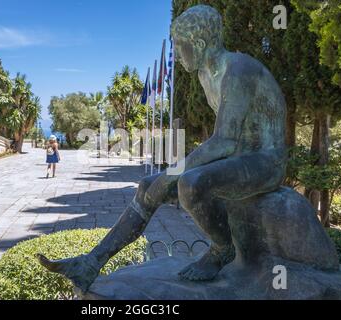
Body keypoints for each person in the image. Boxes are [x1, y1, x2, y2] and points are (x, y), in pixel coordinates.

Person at [38, 5, 287, 293]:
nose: (178, 58)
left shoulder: (238, 71)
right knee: (147, 185)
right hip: (240, 157)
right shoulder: (207, 75)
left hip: (265, 162)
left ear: (200, 45)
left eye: (181, 48)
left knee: (190, 183)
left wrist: (170, 175)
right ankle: (91, 262)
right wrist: (164, 178)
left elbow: (224, 141)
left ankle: (222, 249)